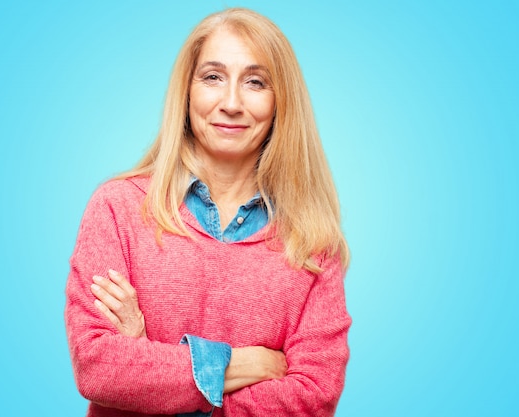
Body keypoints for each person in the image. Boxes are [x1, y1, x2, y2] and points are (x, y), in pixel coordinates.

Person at [65, 7, 351, 417]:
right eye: (213, 77)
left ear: (280, 103)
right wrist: (239, 365)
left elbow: (312, 398)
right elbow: (99, 369)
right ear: (187, 91)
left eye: (255, 82)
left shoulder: (313, 241)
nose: (231, 103)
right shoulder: (118, 208)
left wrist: (150, 366)